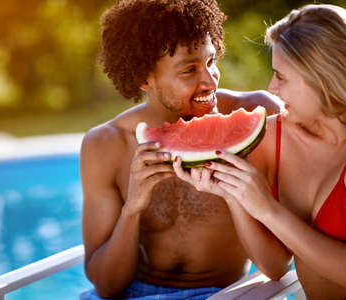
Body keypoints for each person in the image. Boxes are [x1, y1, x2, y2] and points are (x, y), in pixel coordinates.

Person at [79, 0, 285, 299]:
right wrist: (133, 207)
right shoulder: (104, 144)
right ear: (143, 78)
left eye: (211, 62)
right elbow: (106, 285)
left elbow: (277, 267)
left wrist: (233, 190)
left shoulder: (260, 114)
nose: (209, 80)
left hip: (222, 294)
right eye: (189, 70)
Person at [174, 4, 346, 300]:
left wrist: (267, 208)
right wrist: (234, 193)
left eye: (281, 76)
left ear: (323, 77)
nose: (271, 88)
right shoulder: (271, 136)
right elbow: (275, 266)